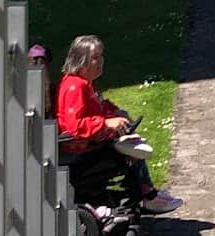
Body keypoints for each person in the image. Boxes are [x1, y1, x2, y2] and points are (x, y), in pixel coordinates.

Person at [56, 35, 182, 215]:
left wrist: (116, 113)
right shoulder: (75, 87)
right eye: (95, 58)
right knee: (132, 151)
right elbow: (75, 125)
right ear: (81, 61)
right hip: (79, 153)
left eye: (101, 56)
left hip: (91, 145)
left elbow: (98, 107)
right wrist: (106, 123)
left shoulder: (86, 84)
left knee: (133, 143)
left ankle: (147, 194)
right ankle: (149, 196)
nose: (101, 62)